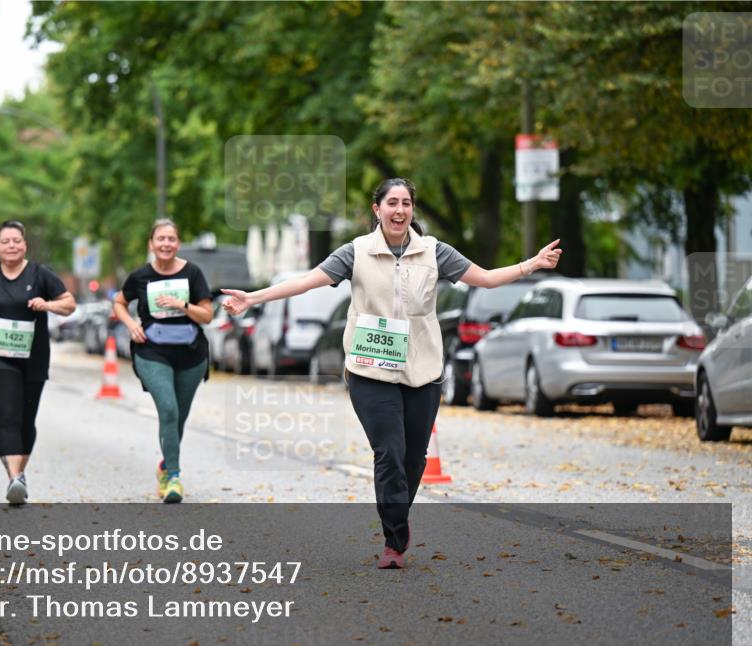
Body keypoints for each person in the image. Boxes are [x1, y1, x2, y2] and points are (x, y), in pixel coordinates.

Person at [223, 178, 562, 569]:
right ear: (377, 209)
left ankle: (397, 517)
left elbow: (484, 278)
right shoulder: (356, 252)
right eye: (392, 203)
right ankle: (394, 540)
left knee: (413, 459)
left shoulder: (434, 252)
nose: (399, 210)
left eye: (406, 203)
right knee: (388, 453)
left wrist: (532, 264)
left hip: (422, 370)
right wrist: (253, 298)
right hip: (370, 370)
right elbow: (305, 282)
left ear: (412, 210)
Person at [0, 220, 75, 505]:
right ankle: (14, 478)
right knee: (9, 415)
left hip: (34, 358)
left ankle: (19, 476)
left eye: (16, 241)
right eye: (5, 241)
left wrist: (47, 305)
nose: (11, 246)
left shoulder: (41, 275)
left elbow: (69, 304)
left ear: (24, 245)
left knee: (27, 420)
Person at [113, 219, 213, 504]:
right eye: (161, 239)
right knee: (168, 409)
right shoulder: (140, 276)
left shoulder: (193, 274)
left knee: (178, 417)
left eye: (171, 239)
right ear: (151, 244)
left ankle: (165, 466)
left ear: (178, 244)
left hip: (191, 353)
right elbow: (119, 302)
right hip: (152, 351)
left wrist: (182, 305)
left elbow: (207, 315)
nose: (166, 244)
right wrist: (131, 324)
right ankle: (174, 477)